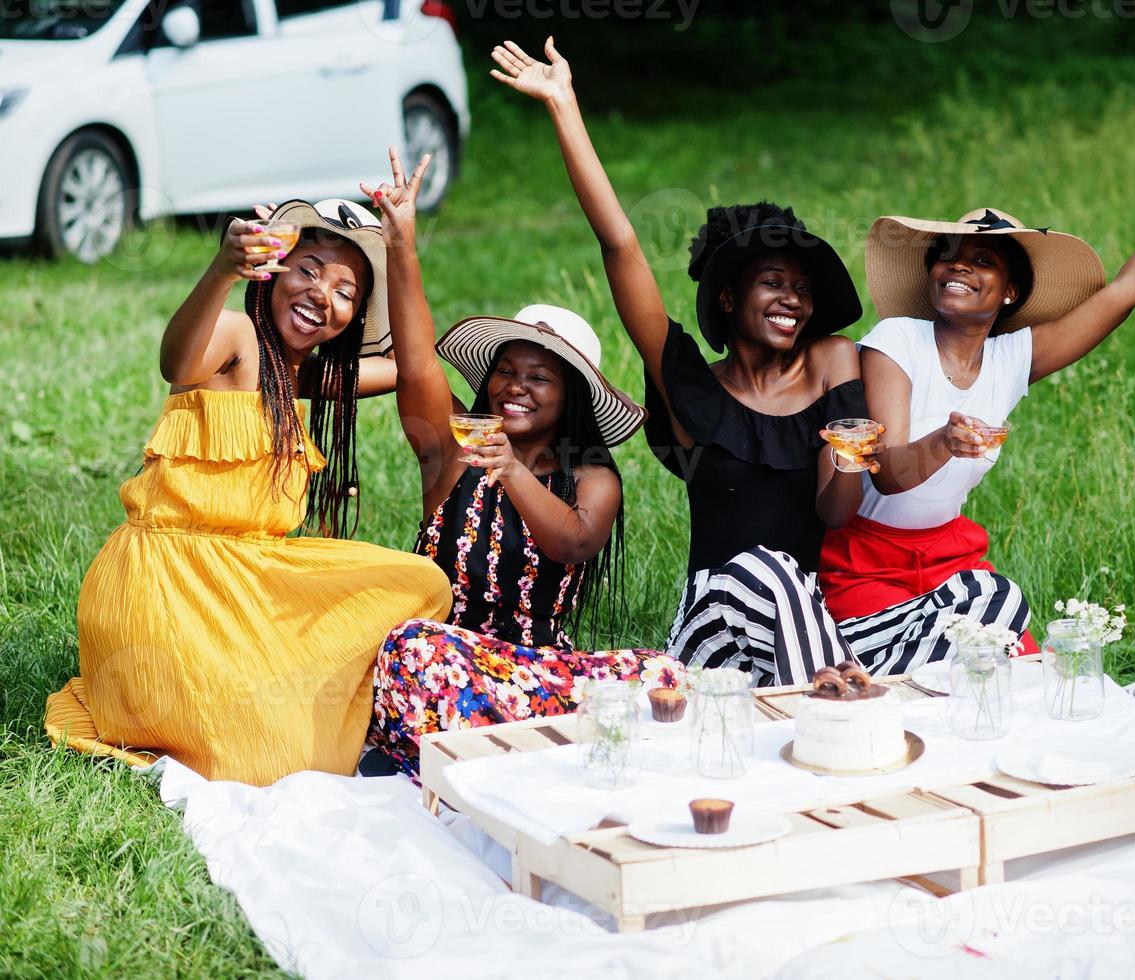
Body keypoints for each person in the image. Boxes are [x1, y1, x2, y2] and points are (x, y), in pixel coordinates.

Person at [492, 38, 1030, 686]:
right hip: (715, 628)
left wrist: (844, 452)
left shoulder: (833, 363)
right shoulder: (691, 387)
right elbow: (619, 244)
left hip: (809, 628)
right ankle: (835, 704)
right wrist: (565, 106)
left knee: (991, 598)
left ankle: (843, 695)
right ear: (729, 296)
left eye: (803, 289)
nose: (792, 299)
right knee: (766, 570)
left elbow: (835, 514)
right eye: (773, 282)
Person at [44, 199, 452, 786]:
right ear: (273, 270)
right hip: (166, 584)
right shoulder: (236, 337)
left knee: (420, 582)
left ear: (356, 317)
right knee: (272, 761)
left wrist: (400, 247)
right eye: (307, 269)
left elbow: (414, 367)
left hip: (243, 581)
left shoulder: (298, 378)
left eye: (346, 291)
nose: (320, 295)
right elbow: (177, 362)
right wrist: (223, 270)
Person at [822, 111, 1135, 636]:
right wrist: (944, 443)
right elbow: (888, 471)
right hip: (867, 560)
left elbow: (1125, 292)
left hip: (949, 554)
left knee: (1001, 658)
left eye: (982, 260)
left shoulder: (1010, 359)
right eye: (947, 256)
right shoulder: (897, 340)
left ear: (1011, 291)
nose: (958, 266)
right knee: (925, 670)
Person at [359, 150, 680, 778]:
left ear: (572, 398)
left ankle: (502, 744)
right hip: (443, 662)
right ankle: (516, 748)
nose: (516, 386)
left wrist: (512, 470)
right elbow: (419, 362)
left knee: (665, 675)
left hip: (539, 675)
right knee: (410, 647)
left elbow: (577, 542)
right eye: (506, 369)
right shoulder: (453, 450)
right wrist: (402, 242)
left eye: (539, 377)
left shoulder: (593, 478)